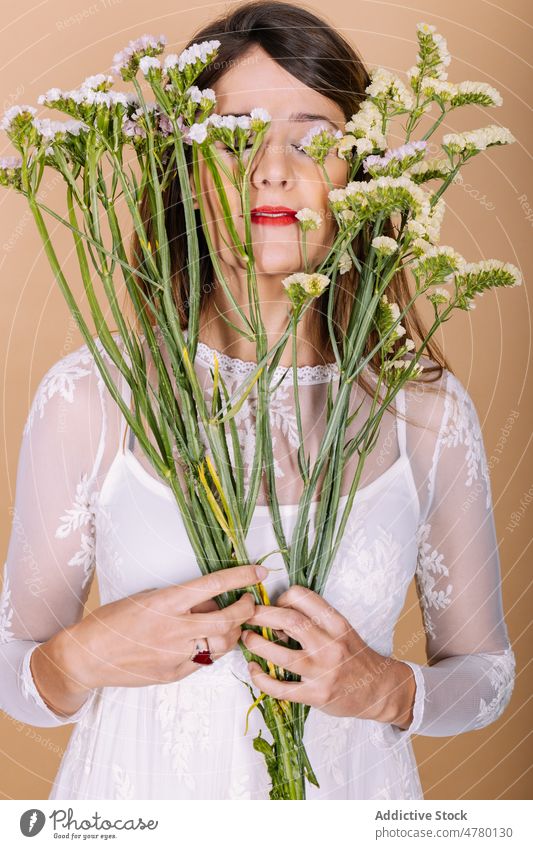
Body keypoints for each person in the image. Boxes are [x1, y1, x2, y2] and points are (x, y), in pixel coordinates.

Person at [0, 1, 515, 800]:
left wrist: (387, 689)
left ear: (359, 175)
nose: (272, 167)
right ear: (187, 166)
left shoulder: (423, 411)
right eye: (235, 136)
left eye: (314, 139)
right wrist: (78, 657)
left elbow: (485, 674)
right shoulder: (92, 395)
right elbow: (16, 668)